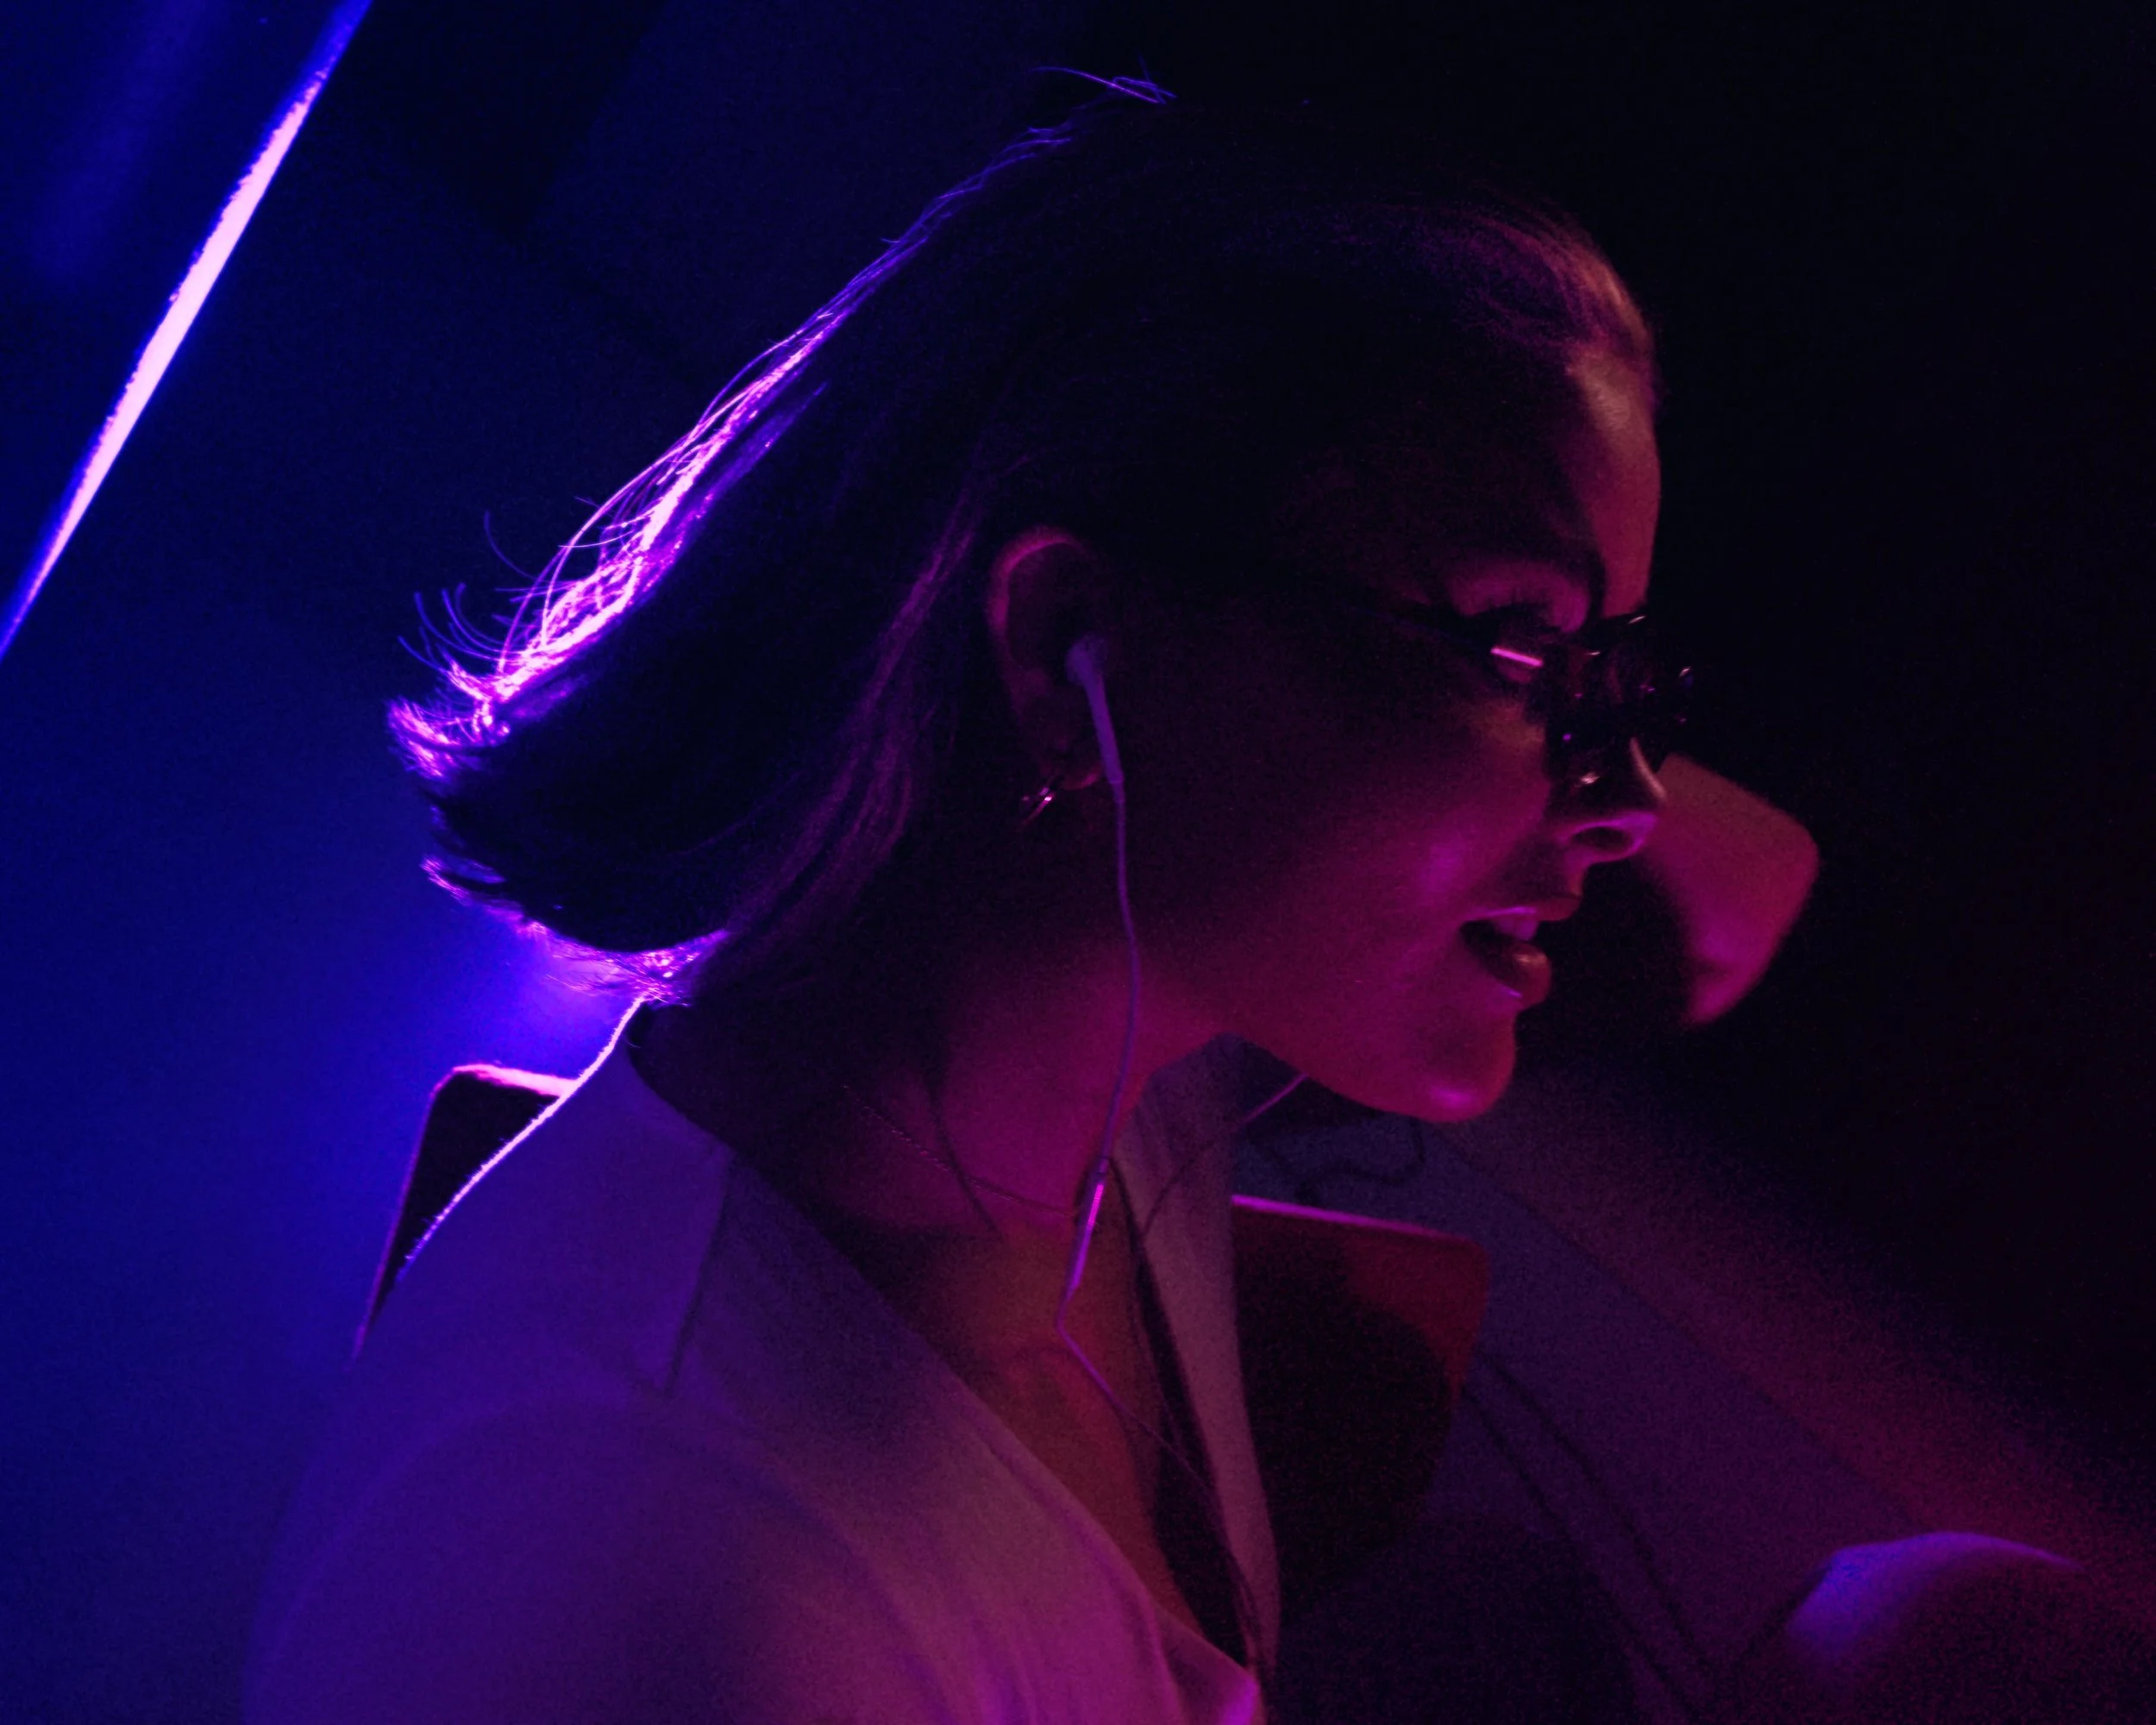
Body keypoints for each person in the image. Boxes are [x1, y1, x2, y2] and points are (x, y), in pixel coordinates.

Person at [248, 90, 2126, 1723]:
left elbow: (1741, 880)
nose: (1625, 795)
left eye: (1620, 675)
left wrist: (1515, 673)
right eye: (1523, 651)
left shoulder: (1106, 1055)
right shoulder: (681, 1588)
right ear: (1072, 648)